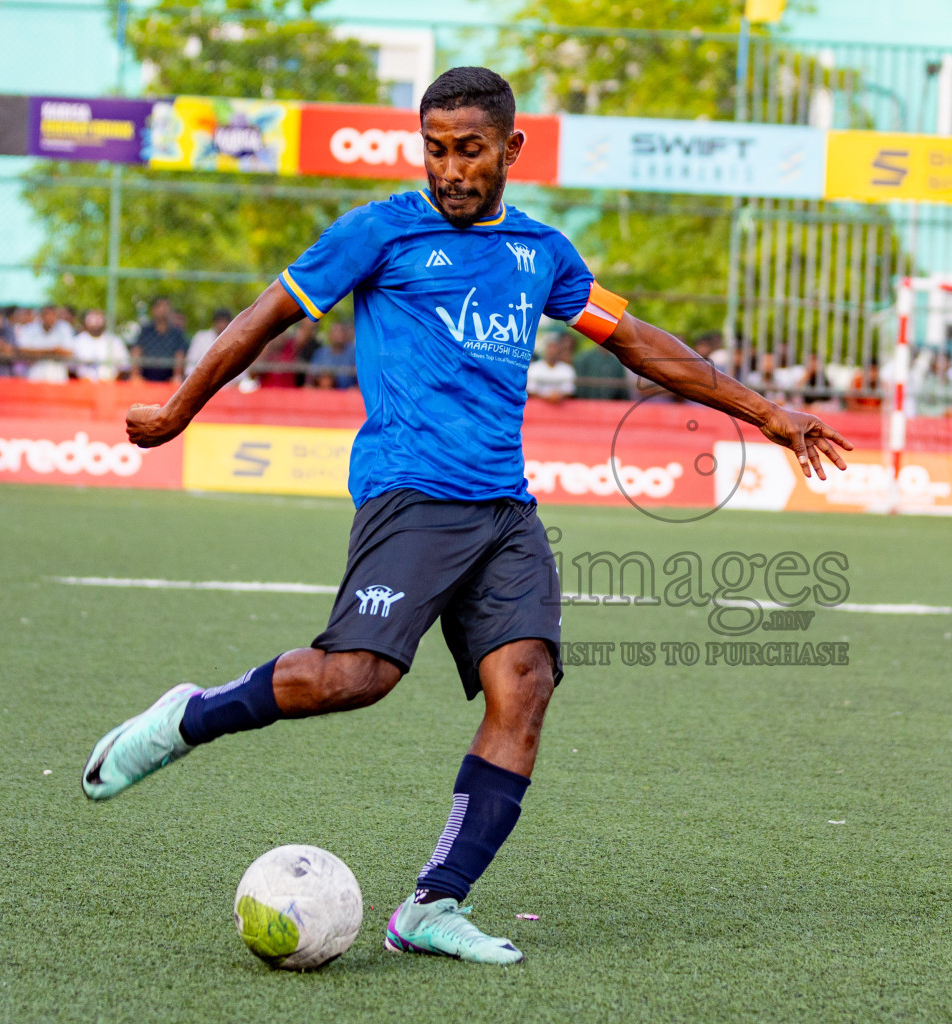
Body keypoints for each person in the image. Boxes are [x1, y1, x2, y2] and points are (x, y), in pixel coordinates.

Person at [79, 66, 852, 966]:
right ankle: (189, 717)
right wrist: (179, 409)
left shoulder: (543, 254)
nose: (450, 169)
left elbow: (640, 345)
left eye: (470, 150)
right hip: (410, 493)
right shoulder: (376, 231)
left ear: (511, 150)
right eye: (435, 149)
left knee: (524, 687)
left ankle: (433, 906)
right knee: (356, 677)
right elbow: (263, 319)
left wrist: (769, 413)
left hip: (504, 511)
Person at [131, 298, 188, 382]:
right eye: (159, 306)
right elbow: (136, 351)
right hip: (146, 376)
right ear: (153, 310)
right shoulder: (145, 331)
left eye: (166, 306)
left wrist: (177, 376)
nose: (163, 309)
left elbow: (180, 355)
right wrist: (136, 375)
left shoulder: (177, 333)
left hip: (169, 378)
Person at [17, 303, 76, 383]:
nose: (49, 318)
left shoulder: (64, 328)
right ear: (41, 316)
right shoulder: (30, 328)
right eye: (46, 315)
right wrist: (51, 351)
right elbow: (22, 350)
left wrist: (38, 352)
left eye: (52, 315)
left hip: (57, 376)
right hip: (35, 374)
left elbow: (70, 352)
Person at [69, 310, 132, 382]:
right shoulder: (77, 341)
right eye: (92, 318)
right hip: (83, 386)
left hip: (110, 386)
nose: (96, 322)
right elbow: (71, 369)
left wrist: (113, 382)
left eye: (99, 318)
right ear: (85, 322)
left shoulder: (115, 341)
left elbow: (125, 367)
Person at [572, 329, 630, 399]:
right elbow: (579, 384)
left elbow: (622, 389)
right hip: (587, 403)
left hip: (611, 405)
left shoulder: (617, 362)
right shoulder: (585, 358)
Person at [525, 335, 575, 403]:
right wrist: (546, 396)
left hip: (561, 408)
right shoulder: (534, 368)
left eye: (555, 347)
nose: (552, 351)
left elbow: (570, 390)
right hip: (537, 407)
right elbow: (530, 390)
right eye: (550, 347)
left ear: (559, 350)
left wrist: (557, 396)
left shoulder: (567, 369)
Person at [307, 321, 357, 389]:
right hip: (323, 392)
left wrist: (356, 388)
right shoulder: (320, 353)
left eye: (341, 331)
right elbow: (310, 376)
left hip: (347, 394)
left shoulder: (353, 354)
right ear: (329, 335)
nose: (338, 334)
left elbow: (360, 377)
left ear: (346, 335)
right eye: (335, 331)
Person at [186, 309, 233, 376]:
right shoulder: (201, 338)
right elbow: (191, 363)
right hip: (201, 378)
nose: (222, 325)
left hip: (229, 382)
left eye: (225, 322)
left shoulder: (235, 340)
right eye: (220, 321)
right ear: (214, 323)